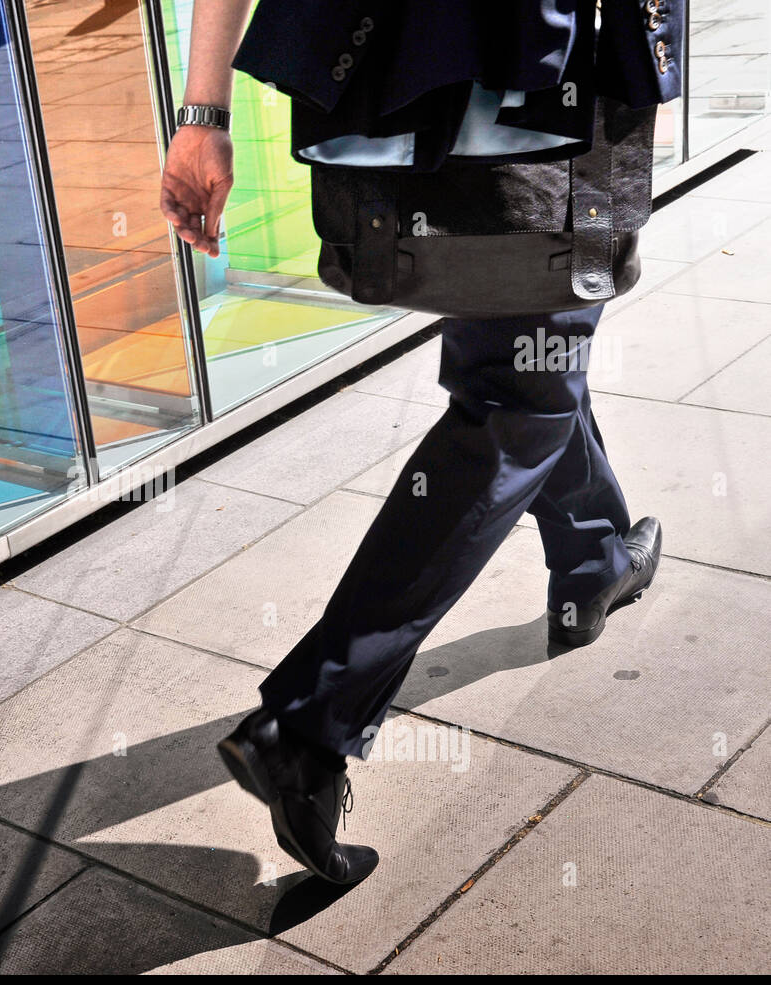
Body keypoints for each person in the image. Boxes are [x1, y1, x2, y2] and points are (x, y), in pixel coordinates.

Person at [160, 0, 669, 887]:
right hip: (536, 91)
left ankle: (593, 559)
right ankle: (308, 727)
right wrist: (203, 120)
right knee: (521, 394)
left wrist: (203, 118)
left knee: (522, 353)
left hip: (418, 96)